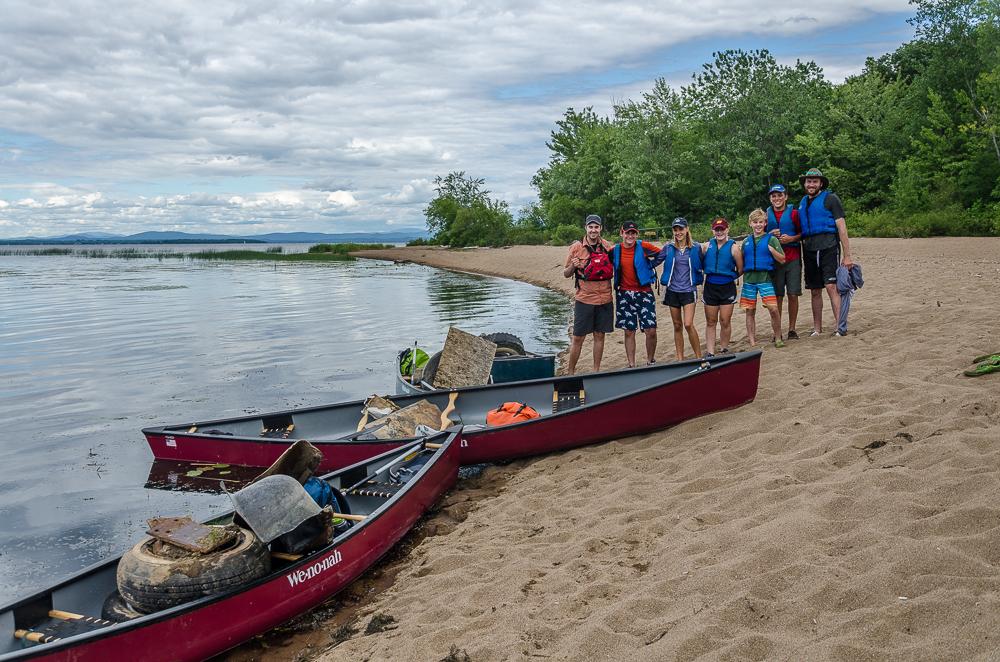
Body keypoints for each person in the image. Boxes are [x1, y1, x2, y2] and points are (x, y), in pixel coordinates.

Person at [797, 168, 854, 336]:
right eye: (809, 181)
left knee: (831, 286)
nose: (811, 184)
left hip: (828, 246)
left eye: (815, 181)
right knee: (815, 290)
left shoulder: (831, 199)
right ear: (805, 184)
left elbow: (842, 227)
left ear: (821, 183)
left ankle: (840, 327)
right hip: (808, 248)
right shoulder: (803, 202)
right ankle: (817, 329)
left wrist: (847, 255)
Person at [563, 214, 614, 374]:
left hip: (605, 298)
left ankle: (596, 371)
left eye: (596, 227)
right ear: (586, 228)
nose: (593, 230)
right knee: (578, 337)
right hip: (584, 299)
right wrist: (573, 265)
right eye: (590, 227)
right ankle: (570, 372)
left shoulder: (607, 246)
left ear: (600, 228)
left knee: (600, 335)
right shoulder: (576, 247)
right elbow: (566, 273)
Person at [611, 221, 660, 367]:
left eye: (633, 233)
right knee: (629, 331)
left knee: (650, 330)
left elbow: (661, 254)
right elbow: (607, 260)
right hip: (624, 294)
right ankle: (631, 364)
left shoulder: (643, 246)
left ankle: (650, 360)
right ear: (622, 233)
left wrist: (650, 265)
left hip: (644, 293)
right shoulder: (616, 250)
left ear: (636, 234)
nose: (630, 236)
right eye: (627, 233)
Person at [653, 218, 703, 360]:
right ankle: (680, 358)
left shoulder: (696, 247)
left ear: (687, 229)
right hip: (672, 291)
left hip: (689, 290)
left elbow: (706, 261)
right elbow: (655, 261)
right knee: (677, 325)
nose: (678, 232)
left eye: (681, 229)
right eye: (675, 229)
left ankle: (699, 357)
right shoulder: (668, 248)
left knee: (688, 324)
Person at [741, 209, 786, 348]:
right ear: (750, 224)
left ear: (765, 223)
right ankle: (752, 341)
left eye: (761, 222)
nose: (758, 225)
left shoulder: (771, 239)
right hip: (749, 280)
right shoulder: (745, 242)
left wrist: (771, 250)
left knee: (773, 309)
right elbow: (741, 260)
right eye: (755, 222)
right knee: (750, 310)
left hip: (765, 278)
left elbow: (783, 259)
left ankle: (778, 337)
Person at [699, 216, 743, 356]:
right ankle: (710, 351)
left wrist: (731, 277)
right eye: (717, 230)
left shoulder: (734, 247)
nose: (719, 232)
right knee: (711, 321)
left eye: (722, 229)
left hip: (727, 287)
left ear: (727, 229)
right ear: (713, 231)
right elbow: (700, 264)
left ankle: (724, 348)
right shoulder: (706, 246)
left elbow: (740, 269)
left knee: (725, 320)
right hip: (710, 286)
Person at [765, 184, 803, 339]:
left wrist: (792, 238)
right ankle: (777, 331)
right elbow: (759, 235)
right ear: (770, 199)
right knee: (778, 296)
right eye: (774, 196)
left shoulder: (794, 214)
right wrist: (770, 235)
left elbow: (804, 233)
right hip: (775, 261)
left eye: (780, 195)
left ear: (786, 197)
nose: (777, 198)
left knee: (793, 294)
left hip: (793, 258)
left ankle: (792, 329)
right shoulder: (766, 216)